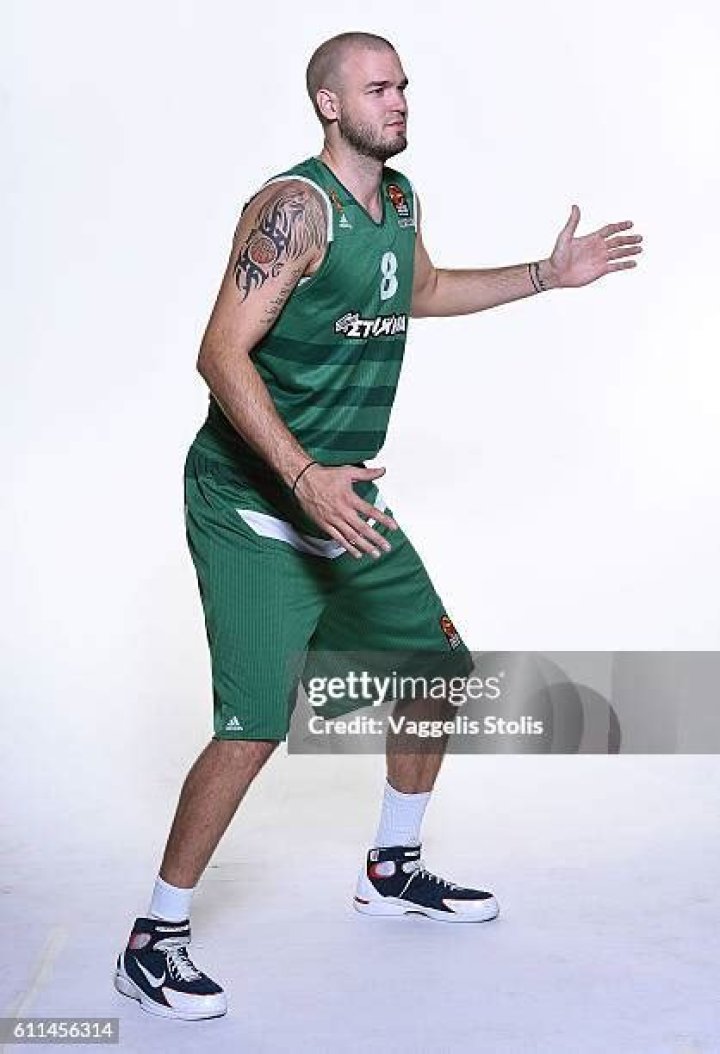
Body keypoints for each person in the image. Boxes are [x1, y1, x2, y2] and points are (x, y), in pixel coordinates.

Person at [113, 31, 643, 1021]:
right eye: (376, 88)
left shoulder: (398, 203)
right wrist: (302, 476)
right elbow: (219, 352)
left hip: (343, 497)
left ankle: (392, 868)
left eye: (402, 86)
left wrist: (545, 273)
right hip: (253, 500)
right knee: (255, 724)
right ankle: (154, 939)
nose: (397, 101)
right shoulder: (295, 210)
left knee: (434, 667)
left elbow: (425, 290)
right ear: (329, 103)